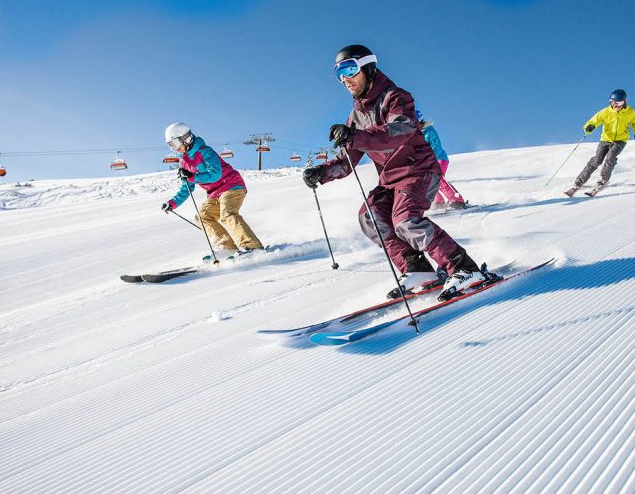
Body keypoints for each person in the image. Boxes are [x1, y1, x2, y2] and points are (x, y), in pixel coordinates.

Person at [302, 44, 489, 301]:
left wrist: (356, 136)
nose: (344, 78)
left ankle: (464, 268)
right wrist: (321, 173)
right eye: (338, 73)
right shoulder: (355, 118)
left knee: (406, 220)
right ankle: (418, 270)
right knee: (371, 217)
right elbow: (346, 162)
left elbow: (398, 131)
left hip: (419, 171)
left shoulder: (396, 98)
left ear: (368, 68)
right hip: (390, 180)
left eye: (349, 69)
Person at [161, 122, 264, 258]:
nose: (175, 149)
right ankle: (227, 247)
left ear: (185, 138)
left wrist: (192, 176)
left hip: (231, 186)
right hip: (215, 193)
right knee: (203, 216)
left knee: (227, 213)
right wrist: (172, 203)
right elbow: (187, 187)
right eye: (171, 146)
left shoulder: (205, 151)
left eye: (174, 144)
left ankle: (252, 246)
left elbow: (216, 174)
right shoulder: (184, 162)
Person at [566, 89, 635, 197]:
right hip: (605, 139)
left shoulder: (630, 112)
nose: (615, 105)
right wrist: (589, 126)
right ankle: (579, 181)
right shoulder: (606, 112)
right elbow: (594, 120)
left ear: (624, 102)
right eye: (612, 102)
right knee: (597, 159)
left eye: (618, 103)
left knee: (610, 158)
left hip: (620, 140)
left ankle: (603, 180)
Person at [417, 110, 467, 210]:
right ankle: (439, 202)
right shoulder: (418, 134)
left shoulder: (429, 130)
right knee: (429, 182)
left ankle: (457, 200)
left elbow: (436, 146)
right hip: (428, 163)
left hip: (439, 159)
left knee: (438, 180)